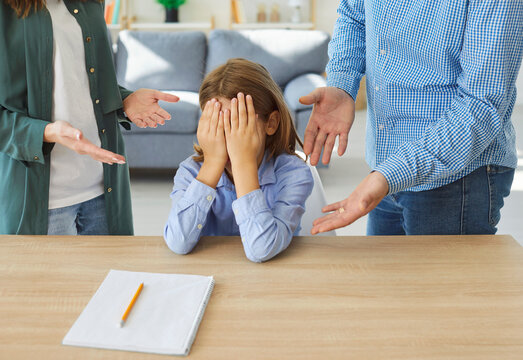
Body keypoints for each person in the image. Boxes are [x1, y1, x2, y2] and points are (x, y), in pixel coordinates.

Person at [301, 0, 523, 236]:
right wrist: (342, 85)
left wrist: (390, 175)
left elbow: (481, 104)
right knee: (383, 273)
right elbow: (354, 16)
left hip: (458, 179)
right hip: (384, 165)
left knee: (435, 274)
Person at [0, 0, 179, 235]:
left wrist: (124, 99)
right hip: (42, 201)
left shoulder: (90, 3)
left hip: (104, 190)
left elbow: (83, 80)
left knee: (111, 271)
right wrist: (48, 132)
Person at [164, 58, 313, 263]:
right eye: (216, 125)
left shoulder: (294, 173)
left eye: (238, 125)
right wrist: (212, 163)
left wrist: (244, 164)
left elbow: (262, 249)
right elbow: (178, 242)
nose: (228, 138)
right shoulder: (191, 172)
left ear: (270, 123)